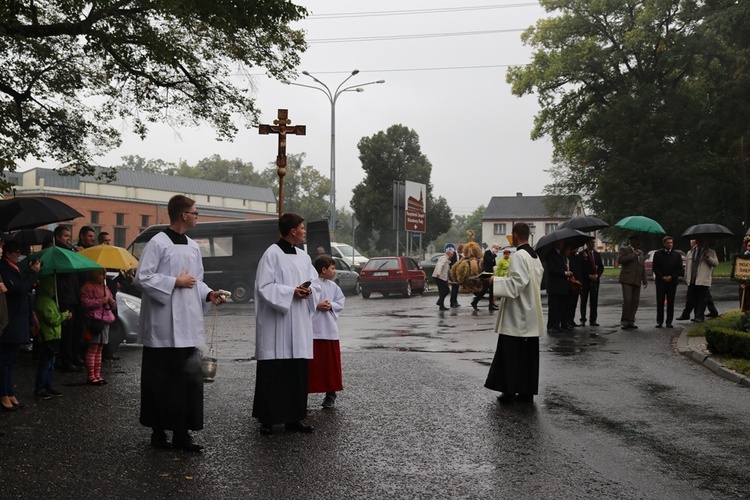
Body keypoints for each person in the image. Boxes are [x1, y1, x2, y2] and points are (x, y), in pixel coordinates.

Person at [135, 195, 226, 452]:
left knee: (187, 381)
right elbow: (142, 279)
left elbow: (196, 280)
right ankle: (158, 431)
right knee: (161, 381)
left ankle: (182, 433)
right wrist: (174, 282)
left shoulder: (193, 246)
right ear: (183, 215)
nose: (198, 216)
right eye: (195, 212)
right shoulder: (158, 243)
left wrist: (209, 294)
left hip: (188, 326)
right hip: (162, 328)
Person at [253, 213, 319, 435]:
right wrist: (292, 291)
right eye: (302, 228)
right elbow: (264, 287)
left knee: (296, 372)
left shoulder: (304, 257)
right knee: (274, 371)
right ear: (292, 231)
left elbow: (316, 283)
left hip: (298, 321)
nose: (304, 231)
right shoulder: (271, 254)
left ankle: (294, 418)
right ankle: (268, 419)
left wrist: (309, 291)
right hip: (277, 323)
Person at [485, 223, 545, 403]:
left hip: (517, 314)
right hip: (531, 311)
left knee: (511, 354)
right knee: (527, 355)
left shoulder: (519, 255)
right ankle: (526, 390)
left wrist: (494, 281)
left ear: (515, 234)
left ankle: (509, 390)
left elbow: (516, 284)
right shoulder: (535, 257)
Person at [0, 240, 41, 411]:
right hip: (10, 320)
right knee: (5, 360)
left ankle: (9, 392)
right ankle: (3, 394)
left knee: (12, 360)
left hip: (18, 320)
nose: (18, 255)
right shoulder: (4, 270)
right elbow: (17, 291)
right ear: (8, 254)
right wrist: (31, 274)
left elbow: (22, 291)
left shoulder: (15, 270)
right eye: (16, 252)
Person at [308, 255, 345, 409]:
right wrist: (317, 305)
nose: (334, 271)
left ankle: (331, 394)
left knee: (330, 365)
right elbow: (306, 301)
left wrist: (331, 306)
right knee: (311, 366)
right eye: (332, 268)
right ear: (323, 269)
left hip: (329, 330)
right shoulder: (311, 284)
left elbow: (340, 301)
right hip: (312, 331)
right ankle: (304, 391)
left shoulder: (333, 286)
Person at [34, 276, 71, 399]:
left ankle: (48, 385)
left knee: (50, 364)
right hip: (47, 336)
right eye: (51, 287)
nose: (53, 289)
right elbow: (52, 319)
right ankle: (40, 388)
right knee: (45, 364)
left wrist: (63, 316)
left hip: (53, 335)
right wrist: (64, 315)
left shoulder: (49, 300)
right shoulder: (44, 301)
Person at [54, 225, 83, 372]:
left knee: (73, 331)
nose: (68, 239)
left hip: (72, 294)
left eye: (69, 236)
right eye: (65, 236)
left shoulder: (69, 250)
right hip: (65, 295)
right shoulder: (58, 252)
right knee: (66, 332)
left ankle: (71, 357)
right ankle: (66, 361)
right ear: (58, 237)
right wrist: (76, 255)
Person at [80, 269, 116, 385]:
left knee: (100, 349)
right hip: (94, 321)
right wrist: (101, 301)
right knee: (93, 349)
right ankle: (91, 375)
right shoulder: (87, 287)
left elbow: (113, 306)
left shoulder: (105, 287)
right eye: (101, 274)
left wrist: (111, 302)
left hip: (105, 320)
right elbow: (85, 303)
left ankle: (97, 374)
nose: (104, 277)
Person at [679, 235, 718, 323]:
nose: (700, 242)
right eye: (699, 240)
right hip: (692, 279)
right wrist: (685, 278)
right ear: (696, 241)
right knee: (690, 299)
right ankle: (688, 315)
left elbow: (715, 264)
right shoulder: (690, 252)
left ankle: (699, 317)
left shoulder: (711, 252)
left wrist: (709, 257)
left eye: (702, 240)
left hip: (702, 279)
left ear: (705, 241)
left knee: (702, 299)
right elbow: (688, 267)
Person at [652, 236, 683, 328]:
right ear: (664, 243)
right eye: (668, 243)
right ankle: (659, 321)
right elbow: (655, 268)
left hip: (672, 282)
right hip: (660, 282)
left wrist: (671, 276)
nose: (670, 244)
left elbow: (679, 269)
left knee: (671, 302)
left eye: (671, 243)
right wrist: (662, 277)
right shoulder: (658, 254)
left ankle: (669, 321)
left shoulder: (677, 255)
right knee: (660, 302)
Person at [618, 235, 647, 330]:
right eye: (633, 240)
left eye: (637, 240)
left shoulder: (641, 253)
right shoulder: (624, 249)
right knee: (627, 300)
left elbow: (642, 267)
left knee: (635, 301)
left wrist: (644, 280)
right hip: (627, 279)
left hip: (637, 279)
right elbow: (620, 260)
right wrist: (632, 256)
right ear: (630, 241)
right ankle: (625, 321)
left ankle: (631, 320)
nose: (635, 242)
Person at [544, 239, 571, 333]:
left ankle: (557, 324)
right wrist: (565, 273)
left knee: (561, 306)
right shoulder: (550, 254)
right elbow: (552, 269)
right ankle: (551, 325)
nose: (563, 244)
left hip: (562, 285)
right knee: (553, 307)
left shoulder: (562, 254)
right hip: (554, 286)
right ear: (556, 243)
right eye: (561, 243)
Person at [578, 238, 603, 326]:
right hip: (585, 281)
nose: (592, 244)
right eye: (591, 243)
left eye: (593, 243)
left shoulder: (597, 254)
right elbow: (581, 268)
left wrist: (597, 275)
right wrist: (588, 275)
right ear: (587, 244)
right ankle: (583, 318)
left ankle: (593, 319)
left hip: (595, 281)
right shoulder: (582, 254)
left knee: (594, 300)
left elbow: (600, 267)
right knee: (583, 300)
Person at [471, 244, 499, 311]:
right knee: (484, 290)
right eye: (496, 248)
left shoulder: (492, 255)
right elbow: (488, 260)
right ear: (493, 248)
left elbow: (493, 264)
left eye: (498, 249)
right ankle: (474, 302)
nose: (497, 250)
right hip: (486, 274)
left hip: (490, 274)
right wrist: (494, 255)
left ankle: (491, 305)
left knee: (492, 290)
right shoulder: (487, 252)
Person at [433, 246, 454, 311]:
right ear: (447, 253)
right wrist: (438, 273)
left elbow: (446, 271)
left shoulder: (447, 260)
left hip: (442, 278)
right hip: (439, 277)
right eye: (451, 254)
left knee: (443, 291)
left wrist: (449, 278)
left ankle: (441, 304)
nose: (452, 256)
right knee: (445, 290)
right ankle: (440, 303)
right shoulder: (443, 258)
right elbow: (440, 265)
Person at [449, 244, 462, 308]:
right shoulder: (453, 254)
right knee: (454, 288)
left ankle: (455, 301)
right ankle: (452, 302)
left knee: (456, 288)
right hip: (452, 274)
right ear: (459, 249)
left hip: (457, 275)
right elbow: (450, 263)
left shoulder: (460, 256)